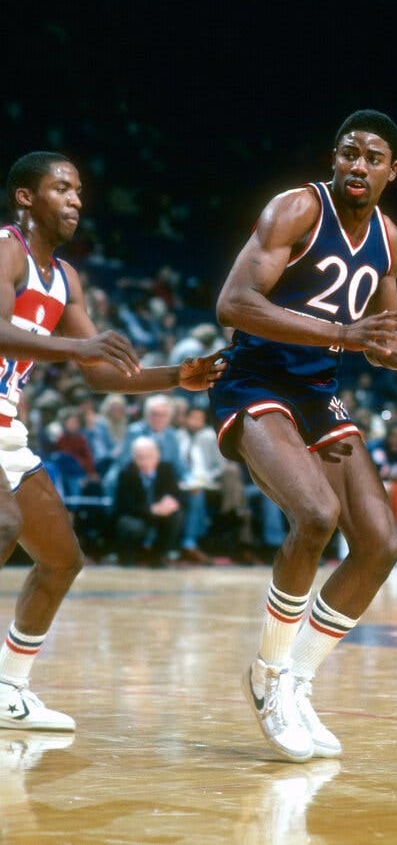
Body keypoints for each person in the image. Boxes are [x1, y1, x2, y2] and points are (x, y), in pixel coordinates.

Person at [209, 110, 397, 762]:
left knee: (380, 542)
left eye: (373, 158)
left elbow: (388, 344)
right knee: (316, 513)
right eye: (349, 153)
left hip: (317, 394)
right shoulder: (295, 210)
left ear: (392, 171)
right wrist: (343, 335)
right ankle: (265, 675)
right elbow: (233, 303)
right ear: (334, 158)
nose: (357, 166)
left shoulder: (388, 240)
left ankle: (298, 680)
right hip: (255, 383)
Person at [0, 150, 226, 732]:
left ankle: (9, 689)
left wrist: (177, 378)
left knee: (62, 558)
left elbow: (100, 374)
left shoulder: (66, 277)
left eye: (78, 190)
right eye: (61, 188)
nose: (76, 198)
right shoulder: (6, 247)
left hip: (7, 426)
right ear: (26, 197)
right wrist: (79, 347)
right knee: (2, 526)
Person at [111, 435, 184, 567]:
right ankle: (129, 557)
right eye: (140, 457)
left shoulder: (166, 469)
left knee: (176, 516)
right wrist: (151, 509)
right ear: (133, 458)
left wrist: (170, 502)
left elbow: (176, 495)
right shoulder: (126, 473)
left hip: (160, 514)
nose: (144, 462)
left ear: (157, 455)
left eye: (149, 456)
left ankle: (158, 556)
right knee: (131, 526)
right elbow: (123, 505)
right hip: (136, 515)